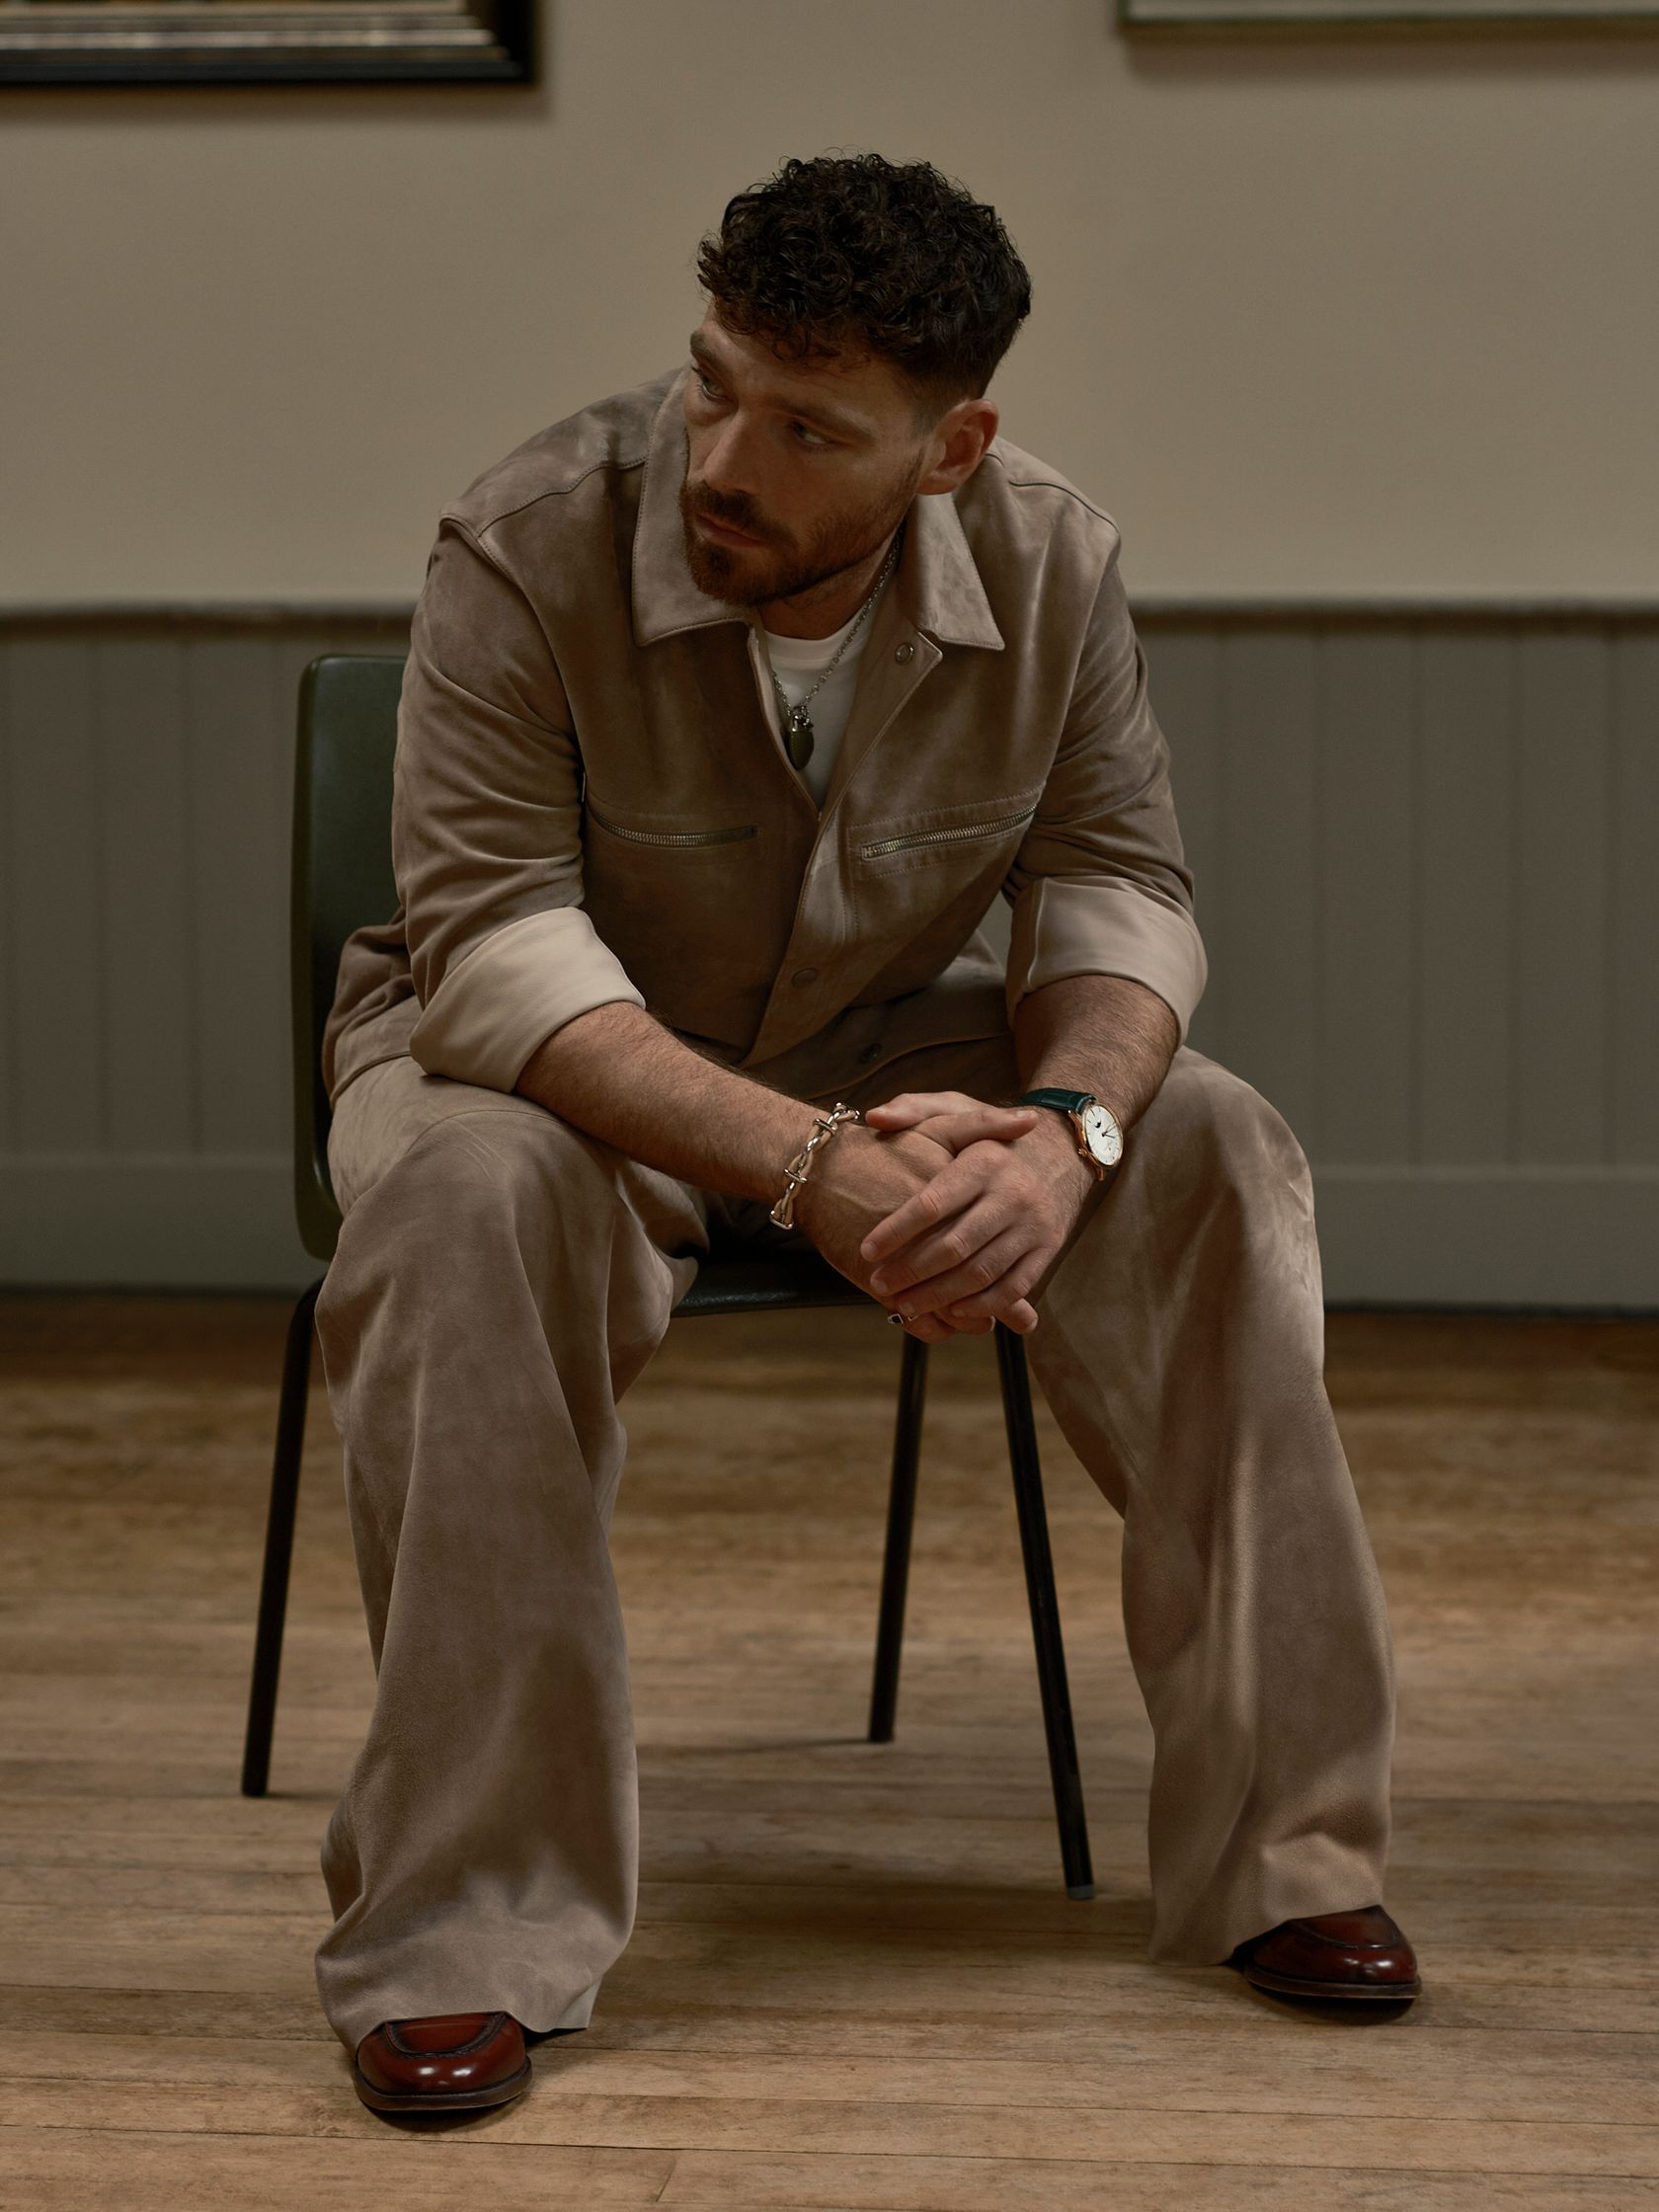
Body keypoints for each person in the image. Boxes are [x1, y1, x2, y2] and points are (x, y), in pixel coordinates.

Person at [314, 151, 1419, 2121]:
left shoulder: (1054, 558)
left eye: (808, 428)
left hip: (888, 1046)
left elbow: (1121, 891)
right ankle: (465, 1928)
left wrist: (1065, 1135)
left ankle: (1288, 1859)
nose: (722, 460)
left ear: (948, 448)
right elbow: (494, 953)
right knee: (463, 1198)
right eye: (712, 381)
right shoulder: (522, 541)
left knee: (1213, 1143)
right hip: (540, 1065)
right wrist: (811, 1167)